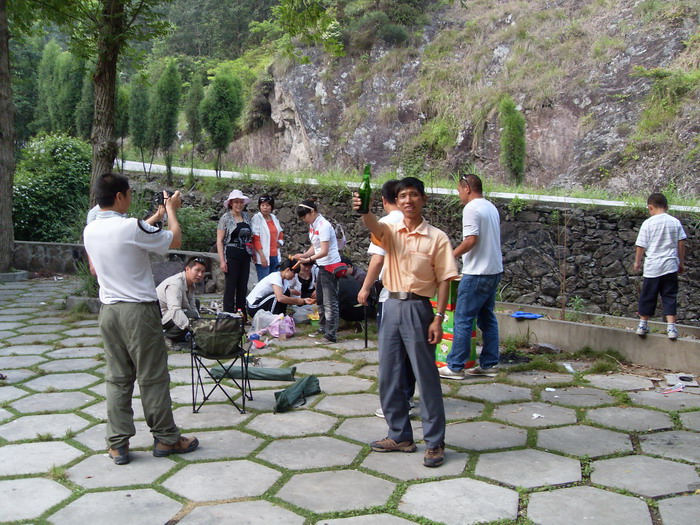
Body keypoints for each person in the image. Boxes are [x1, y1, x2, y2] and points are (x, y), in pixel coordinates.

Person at [83, 172, 198, 466]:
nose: (131, 198)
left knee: (117, 378)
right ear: (119, 196)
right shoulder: (130, 227)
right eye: (129, 193)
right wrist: (171, 211)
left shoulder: (91, 229)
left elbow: (132, 237)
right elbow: (174, 239)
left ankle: (117, 444)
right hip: (138, 313)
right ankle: (166, 438)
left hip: (109, 312)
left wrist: (156, 216)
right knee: (152, 376)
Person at [353, 176, 459, 468]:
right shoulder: (390, 230)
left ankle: (435, 442)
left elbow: (444, 280)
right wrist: (364, 210)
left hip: (418, 308)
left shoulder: (437, 237)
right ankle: (399, 435)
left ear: (423, 199)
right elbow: (373, 226)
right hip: (390, 305)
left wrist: (438, 318)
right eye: (402, 197)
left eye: (413, 195)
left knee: (426, 377)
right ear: (396, 202)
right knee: (389, 376)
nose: (408, 200)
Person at [357, 180, 416, 419]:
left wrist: (364, 288)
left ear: (383, 200)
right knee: (409, 352)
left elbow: (377, 259)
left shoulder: (388, 223)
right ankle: (407, 397)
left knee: (392, 353)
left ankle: (395, 403)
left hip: (391, 296)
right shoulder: (413, 221)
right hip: (415, 296)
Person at [439, 173, 503, 380]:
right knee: (487, 318)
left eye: (459, 190)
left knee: (463, 319)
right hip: (494, 270)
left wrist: (450, 256)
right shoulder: (490, 207)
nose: (459, 195)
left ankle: (455, 366)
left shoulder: (471, 208)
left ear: (467, 188)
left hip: (476, 273)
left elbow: (471, 240)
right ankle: (489, 364)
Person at [634, 192, 686, 340]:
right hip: (670, 266)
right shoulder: (675, 222)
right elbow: (681, 243)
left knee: (648, 296)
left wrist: (637, 262)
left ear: (650, 207)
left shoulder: (648, 223)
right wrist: (681, 262)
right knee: (669, 295)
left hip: (653, 267)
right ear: (666, 207)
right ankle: (671, 328)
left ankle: (642, 325)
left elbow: (641, 245)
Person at [293, 200, 343, 345]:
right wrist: (303, 255)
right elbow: (315, 246)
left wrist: (308, 259)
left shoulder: (324, 226)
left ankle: (331, 334)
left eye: (305, 216)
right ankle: (323, 328)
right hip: (321, 265)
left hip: (330, 265)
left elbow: (324, 250)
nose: (304, 219)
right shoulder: (313, 225)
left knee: (330, 301)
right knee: (320, 299)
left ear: (313, 212)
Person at [216, 189, 253, 318]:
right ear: (231, 203)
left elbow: (250, 237)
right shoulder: (225, 218)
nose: (239, 204)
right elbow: (219, 241)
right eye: (236, 202)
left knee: (242, 286)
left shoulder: (246, 217)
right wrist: (222, 260)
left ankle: (241, 314)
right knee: (231, 286)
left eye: (241, 202)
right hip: (231, 254)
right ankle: (229, 315)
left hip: (245, 254)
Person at [156, 256, 206, 345]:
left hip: (171, 314)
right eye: (197, 270)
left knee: (196, 304)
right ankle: (166, 337)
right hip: (159, 318)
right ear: (187, 269)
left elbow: (193, 306)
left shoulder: (191, 284)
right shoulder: (176, 283)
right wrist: (193, 328)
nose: (200, 275)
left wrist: (201, 325)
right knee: (191, 315)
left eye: (202, 272)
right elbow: (175, 310)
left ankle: (180, 336)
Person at [246, 259, 314, 318]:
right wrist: (298, 301)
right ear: (288, 270)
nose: (294, 277)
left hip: (262, 304)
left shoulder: (284, 281)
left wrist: (303, 299)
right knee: (277, 296)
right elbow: (280, 298)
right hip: (254, 306)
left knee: (286, 292)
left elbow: (285, 292)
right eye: (294, 274)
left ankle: (281, 316)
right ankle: (273, 318)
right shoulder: (276, 277)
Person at [251, 194, 284, 281]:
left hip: (275, 255)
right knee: (264, 282)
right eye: (262, 205)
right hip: (264, 255)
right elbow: (256, 239)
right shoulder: (256, 218)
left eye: (267, 205)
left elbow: (280, 232)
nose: (265, 208)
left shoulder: (274, 218)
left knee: (275, 281)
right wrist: (262, 256)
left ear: (271, 207)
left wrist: (280, 242)